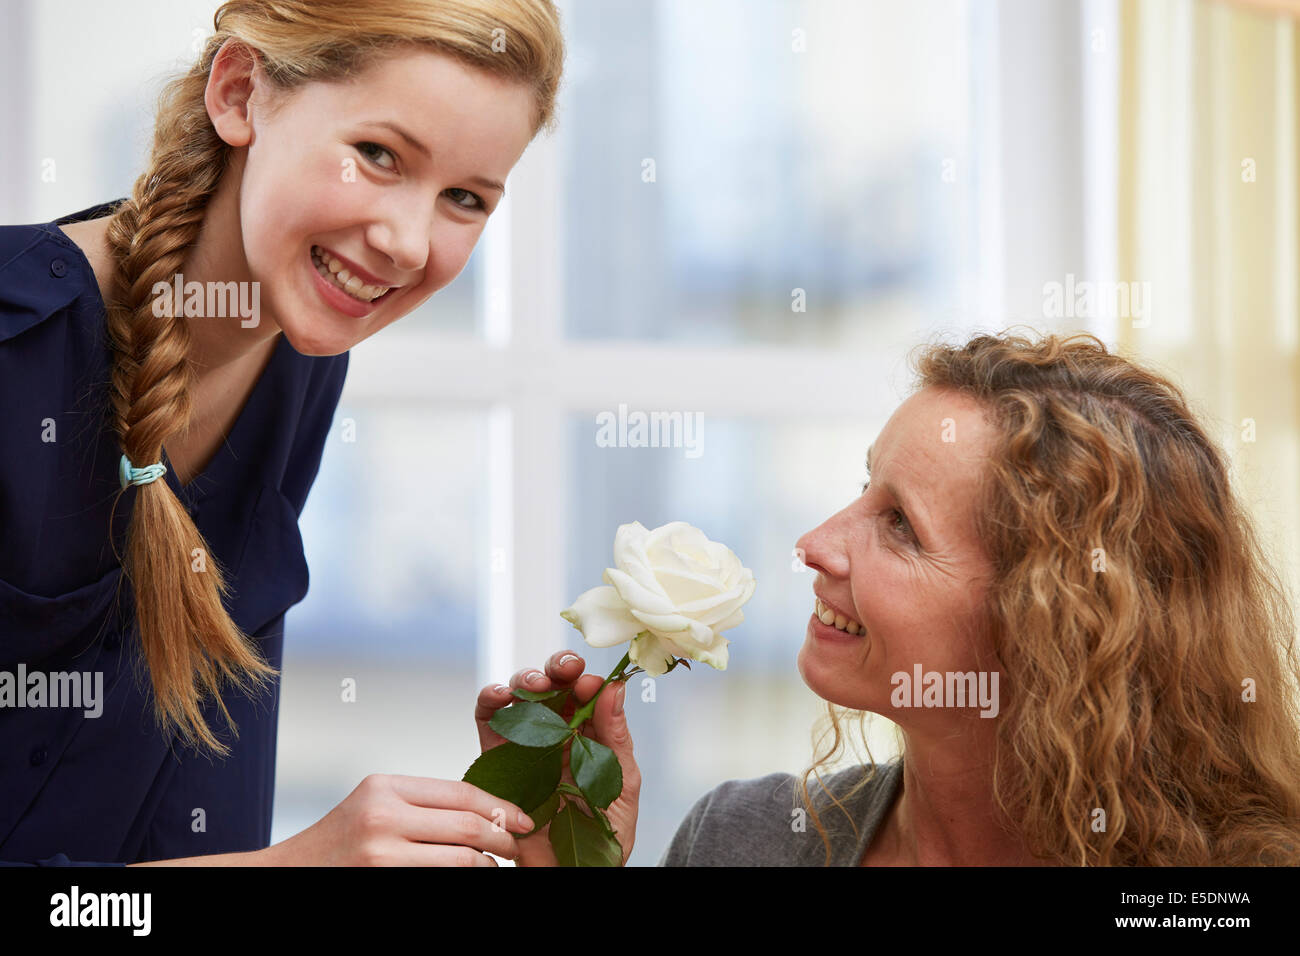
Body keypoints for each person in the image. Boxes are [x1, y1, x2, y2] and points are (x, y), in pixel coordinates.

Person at [0, 0, 573, 866]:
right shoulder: (17, 344)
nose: (407, 243)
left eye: (464, 198)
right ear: (239, 94)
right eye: (377, 155)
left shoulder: (298, 367)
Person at [638, 330, 1300, 866]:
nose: (813, 543)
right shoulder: (738, 841)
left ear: (1051, 623)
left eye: (901, 525)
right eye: (866, 486)